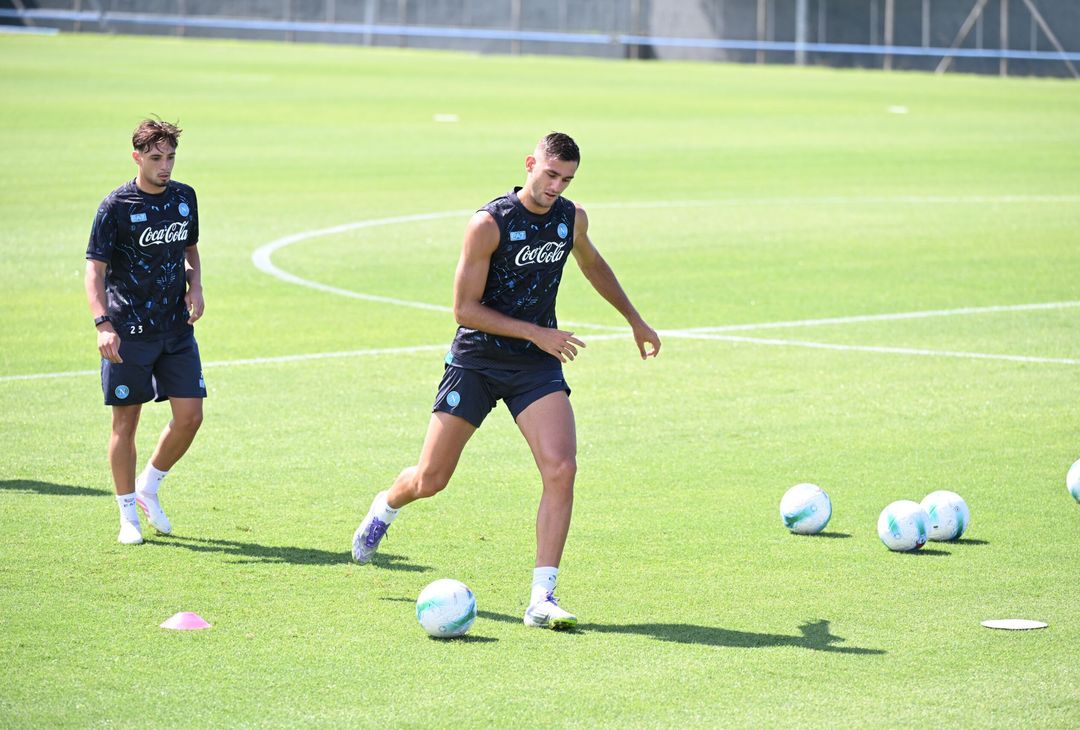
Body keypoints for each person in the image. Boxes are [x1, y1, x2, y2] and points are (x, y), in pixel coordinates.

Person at [352, 132, 661, 629]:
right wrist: (538, 332)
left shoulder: (571, 218)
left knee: (562, 468)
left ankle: (542, 598)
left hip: (534, 367)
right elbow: (464, 310)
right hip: (476, 361)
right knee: (431, 480)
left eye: (566, 179)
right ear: (529, 164)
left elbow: (592, 263)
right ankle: (385, 507)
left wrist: (634, 319)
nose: (556, 187)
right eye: (550, 174)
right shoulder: (489, 224)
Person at [84, 118, 206, 545]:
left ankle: (148, 487)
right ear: (137, 157)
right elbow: (94, 270)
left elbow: (189, 248)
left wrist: (196, 286)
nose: (165, 166)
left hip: (175, 329)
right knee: (126, 424)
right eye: (156, 158)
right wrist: (103, 323)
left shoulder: (184, 198)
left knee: (191, 416)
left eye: (170, 157)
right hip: (128, 333)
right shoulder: (115, 206)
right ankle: (127, 517)